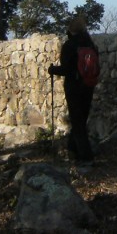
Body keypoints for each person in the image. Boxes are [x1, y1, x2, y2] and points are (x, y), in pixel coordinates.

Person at [48, 16, 96, 166]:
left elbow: (67, 69)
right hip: (89, 85)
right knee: (81, 119)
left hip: (74, 87)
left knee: (77, 121)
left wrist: (52, 69)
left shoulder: (70, 45)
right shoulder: (90, 44)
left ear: (70, 30)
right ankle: (72, 150)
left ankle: (86, 157)